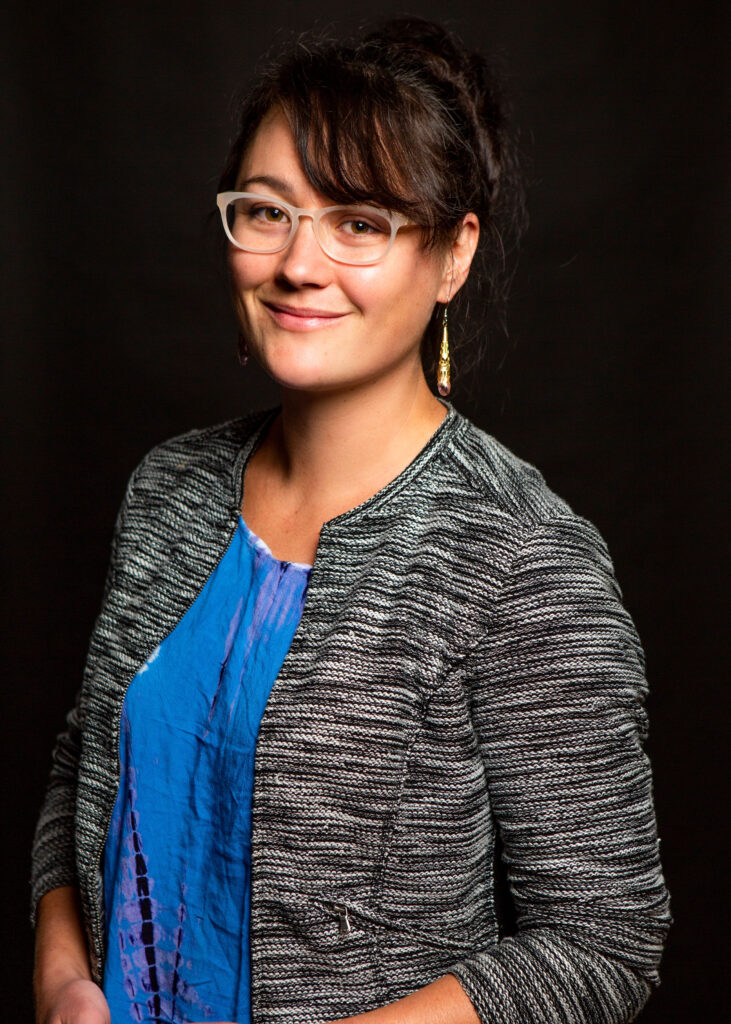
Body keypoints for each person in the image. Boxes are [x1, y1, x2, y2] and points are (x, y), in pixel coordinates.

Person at [31, 17, 671, 1024]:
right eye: (267, 212)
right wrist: (64, 980)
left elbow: (601, 940)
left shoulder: (522, 557)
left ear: (453, 253)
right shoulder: (168, 488)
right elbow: (84, 768)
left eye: (360, 222)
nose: (298, 263)